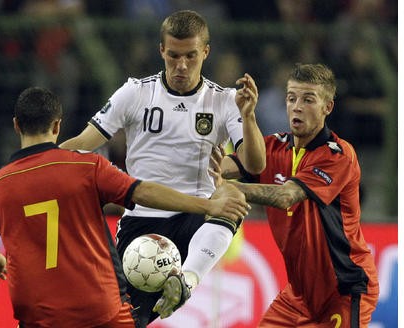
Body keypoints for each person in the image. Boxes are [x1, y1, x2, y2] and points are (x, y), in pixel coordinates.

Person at [0, 87, 250, 328]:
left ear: (16, 125)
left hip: (40, 317)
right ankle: (190, 277)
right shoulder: (86, 166)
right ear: (57, 126)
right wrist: (206, 204)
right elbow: (143, 192)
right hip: (100, 311)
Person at [59, 9, 265, 325]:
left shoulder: (225, 100)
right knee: (122, 321)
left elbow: (255, 164)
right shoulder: (135, 92)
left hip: (198, 215)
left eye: (191, 56)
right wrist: (36, 162)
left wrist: (249, 118)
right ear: (161, 51)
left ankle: (186, 280)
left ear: (206, 52)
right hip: (143, 222)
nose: (181, 65)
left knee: (230, 202)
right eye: (173, 56)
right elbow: (84, 141)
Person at [219, 63, 379, 327]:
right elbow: (221, 169)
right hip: (298, 295)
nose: (297, 106)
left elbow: (286, 197)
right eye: (292, 98)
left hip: (343, 289)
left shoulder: (338, 154)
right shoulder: (272, 147)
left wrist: (227, 189)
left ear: (328, 107)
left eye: (308, 99)